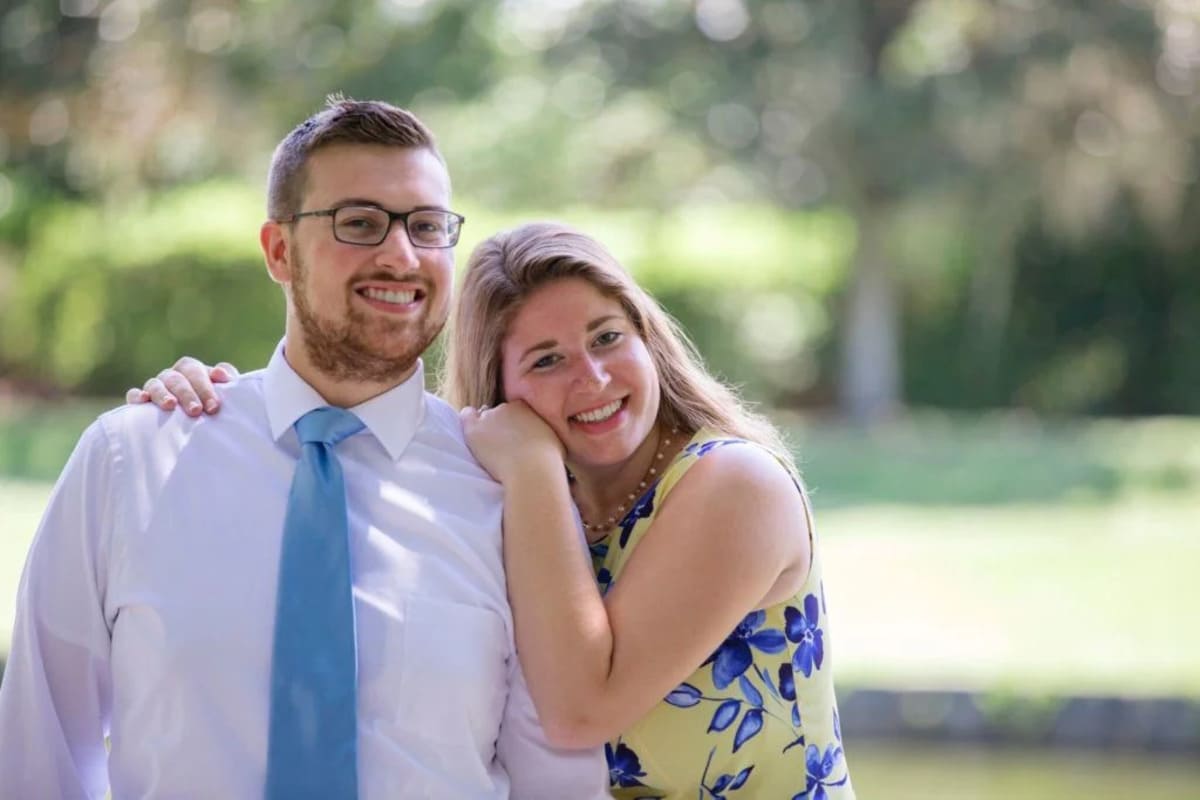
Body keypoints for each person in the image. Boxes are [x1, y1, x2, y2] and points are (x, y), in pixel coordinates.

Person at [0, 99, 608, 799]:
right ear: (279, 251)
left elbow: (554, 771)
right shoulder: (130, 460)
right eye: (359, 223)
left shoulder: (507, 488)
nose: (401, 255)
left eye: (428, 226)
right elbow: (39, 746)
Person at [131, 222, 856, 799]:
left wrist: (534, 466)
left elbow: (580, 711)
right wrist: (223, 411)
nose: (593, 376)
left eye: (608, 337)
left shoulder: (734, 486)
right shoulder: (509, 496)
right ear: (500, 389)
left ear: (648, 338)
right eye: (546, 360)